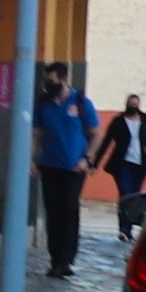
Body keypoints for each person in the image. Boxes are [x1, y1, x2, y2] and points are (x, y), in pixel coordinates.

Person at [32, 62, 98, 279]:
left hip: (74, 167)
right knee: (53, 212)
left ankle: (68, 259)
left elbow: (96, 133)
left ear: (62, 78)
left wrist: (87, 159)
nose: (46, 84)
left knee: (69, 209)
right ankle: (55, 259)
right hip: (50, 164)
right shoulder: (43, 104)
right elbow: (37, 134)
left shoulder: (80, 102)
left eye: (50, 79)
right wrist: (33, 159)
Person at [90, 93, 146, 243]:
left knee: (135, 197)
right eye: (131, 104)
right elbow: (107, 141)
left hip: (141, 165)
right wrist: (95, 163)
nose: (134, 106)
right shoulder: (118, 121)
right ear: (126, 105)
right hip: (122, 163)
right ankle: (123, 229)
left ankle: (128, 229)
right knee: (125, 194)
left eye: (136, 104)